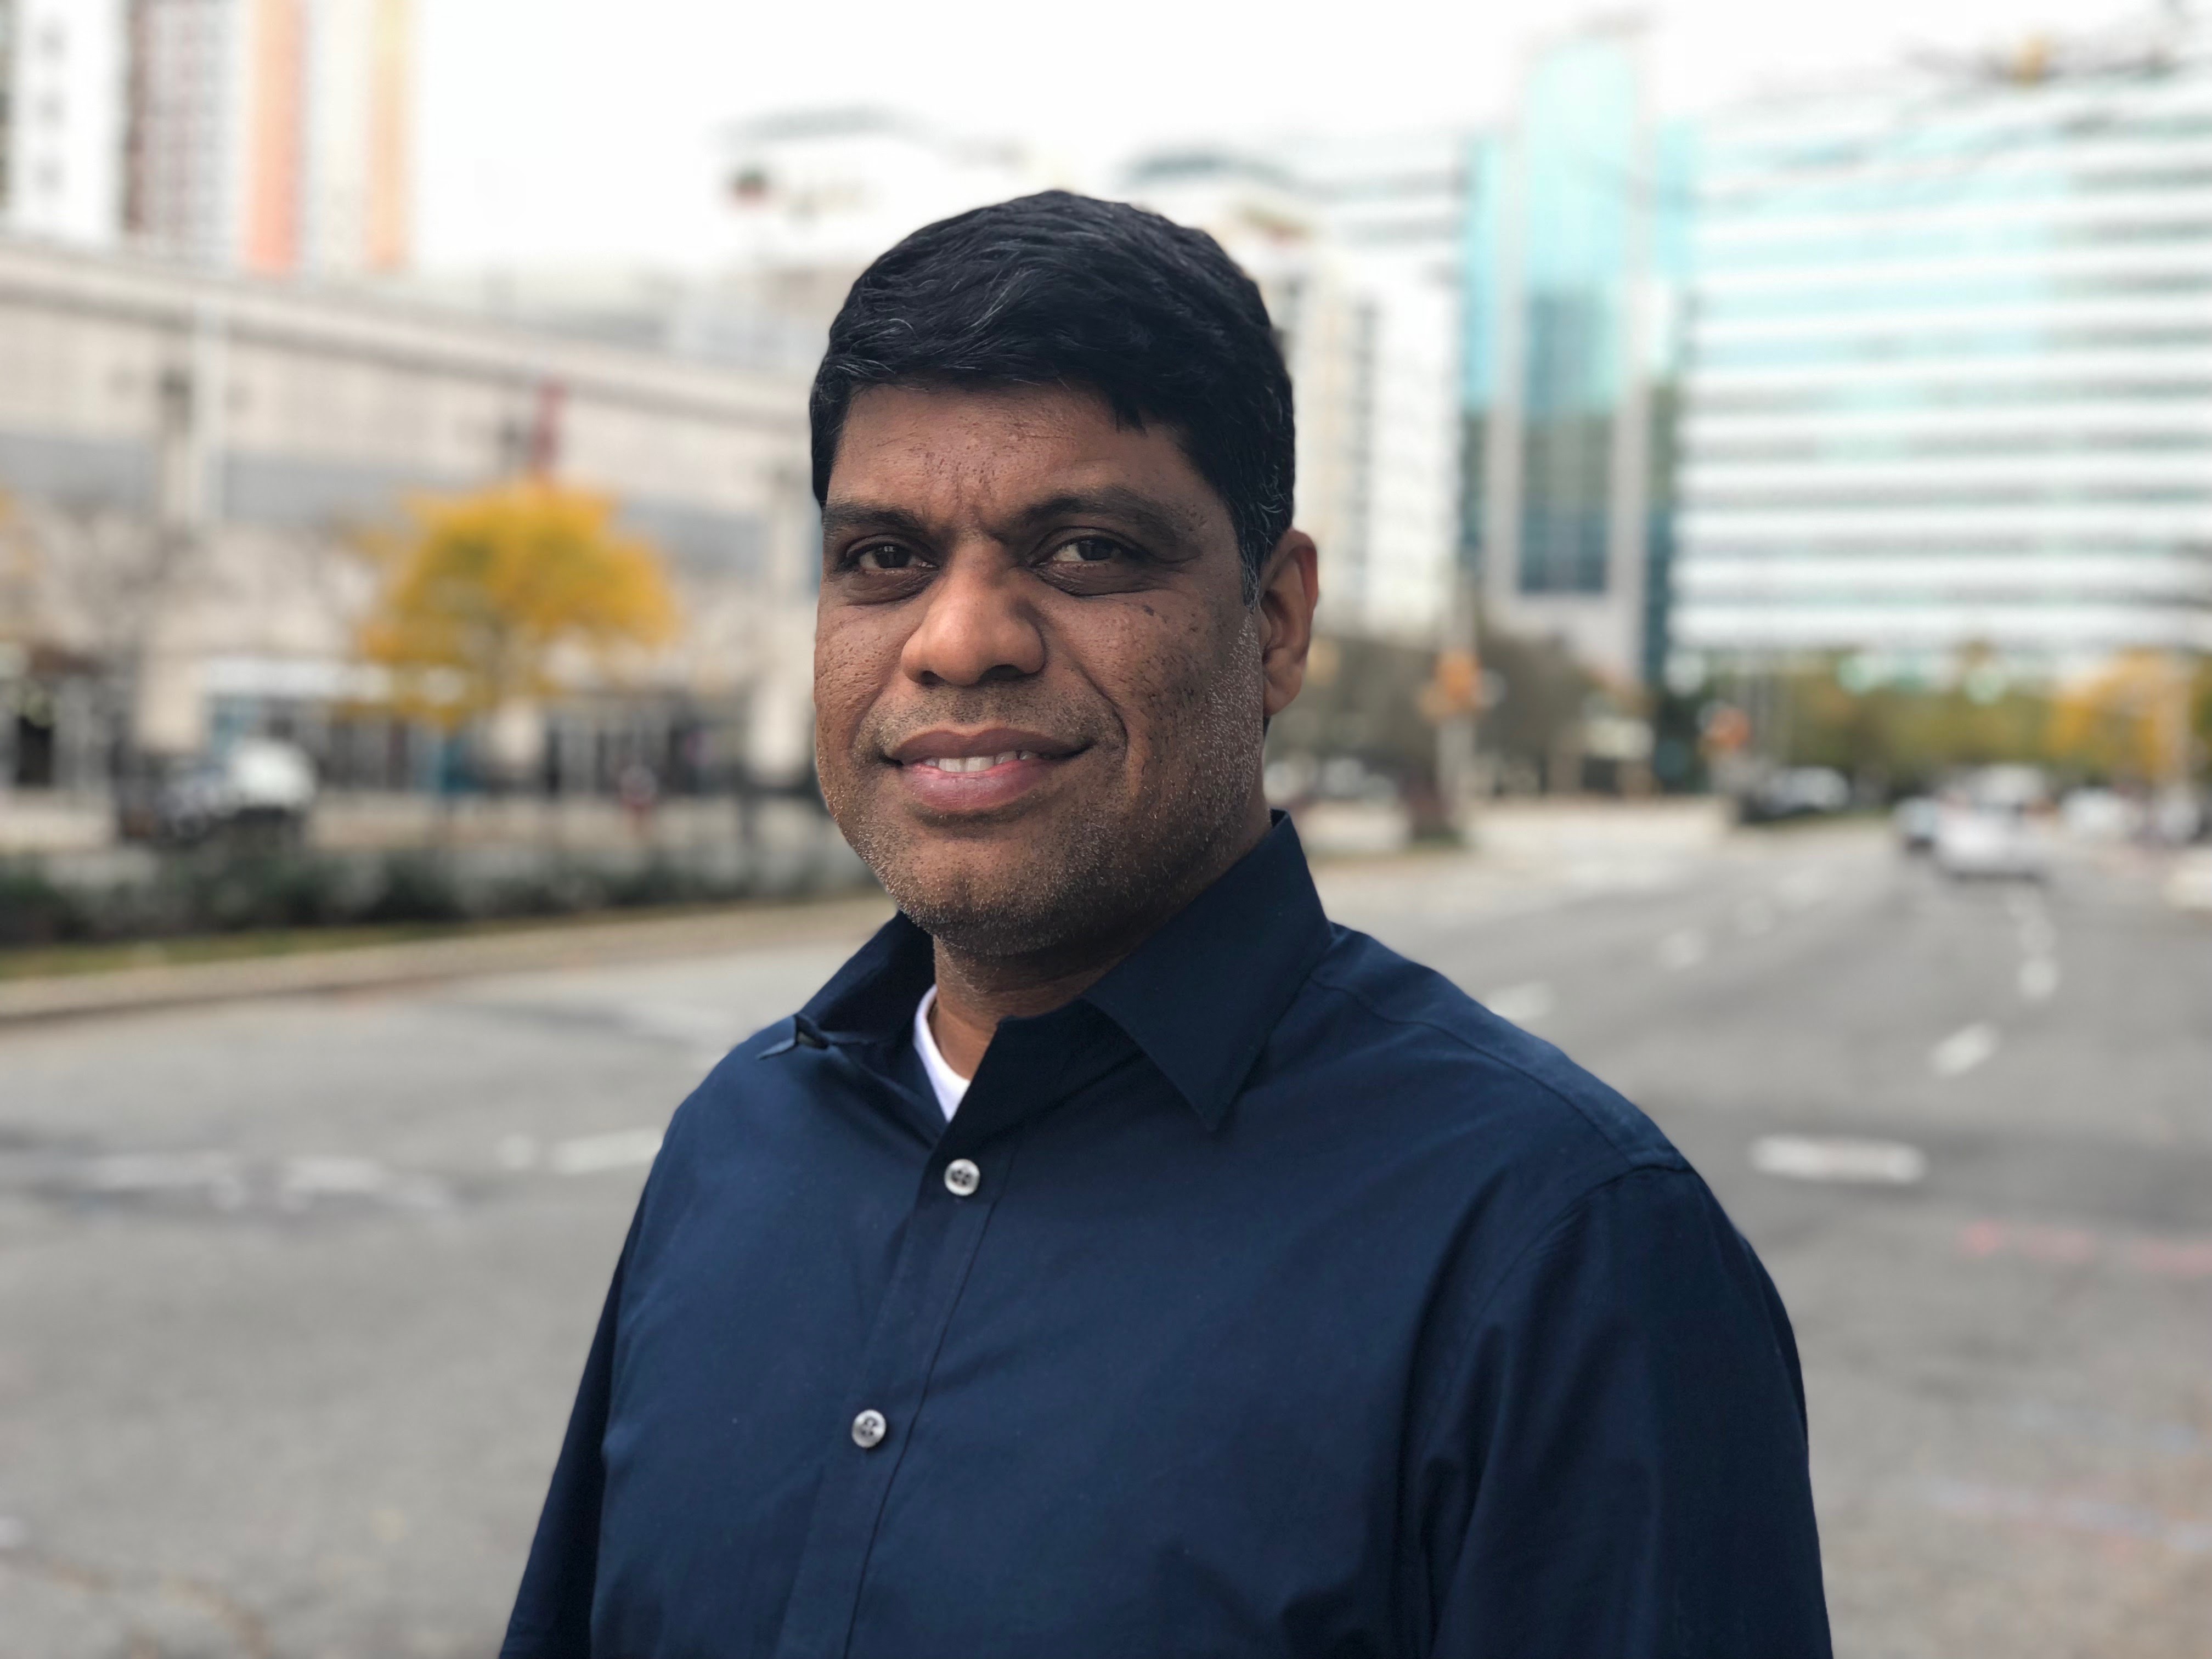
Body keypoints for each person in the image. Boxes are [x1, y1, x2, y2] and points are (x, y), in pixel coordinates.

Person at [502, 191, 1831, 1659]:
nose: (959, 640)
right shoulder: (734, 1141)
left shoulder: (1561, 1249)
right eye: (883, 558)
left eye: (1084, 551)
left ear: (1276, 621)